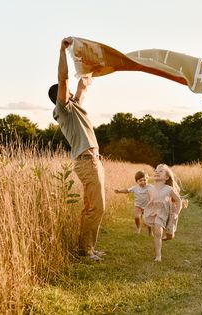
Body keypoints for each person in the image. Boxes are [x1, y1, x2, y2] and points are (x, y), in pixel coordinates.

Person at [48, 37, 105, 261]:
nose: (71, 91)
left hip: (94, 160)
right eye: (67, 91)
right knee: (96, 207)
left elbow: (83, 84)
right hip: (86, 160)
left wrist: (90, 66)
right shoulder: (64, 110)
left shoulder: (76, 108)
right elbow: (63, 79)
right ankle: (85, 251)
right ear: (61, 97)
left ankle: (88, 248)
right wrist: (63, 51)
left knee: (94, 207)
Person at [143, 164, 182, 262]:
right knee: (157, 232)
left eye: (160, 171)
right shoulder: (150, 188)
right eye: (156, 171)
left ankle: (168, 236)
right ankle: (158, 256)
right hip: (155, 212)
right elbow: (148, 199)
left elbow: (179, 201)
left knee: (170, 234)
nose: (157, 172)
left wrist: (176, 213)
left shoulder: (169, 189)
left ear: (166, 177)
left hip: (167, 213)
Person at [114, 170, 153, 235]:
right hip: (138, 206)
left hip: (147, 206)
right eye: (140, 181)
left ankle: (150, 231)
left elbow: (157, 191)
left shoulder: (150, 187)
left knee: (148, 220)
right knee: (136, 217)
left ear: (147, 179)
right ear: (137, 181)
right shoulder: (135, 188)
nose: (143, 182)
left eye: (144, 180)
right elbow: (127, 190)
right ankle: (138, 228)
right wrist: (119, 191)